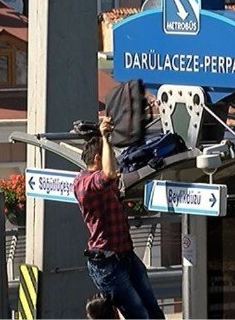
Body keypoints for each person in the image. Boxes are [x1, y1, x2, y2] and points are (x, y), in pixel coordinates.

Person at [74, 116, 165, 319]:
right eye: (110, 156)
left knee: (152, 310)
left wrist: (101, 132)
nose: (115, 160)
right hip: (107, 264)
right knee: (139, 314)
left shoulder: (99, 179)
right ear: (98, 158)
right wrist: (105, 138)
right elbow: (108, 174)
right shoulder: (84, 183)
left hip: (125, 256)